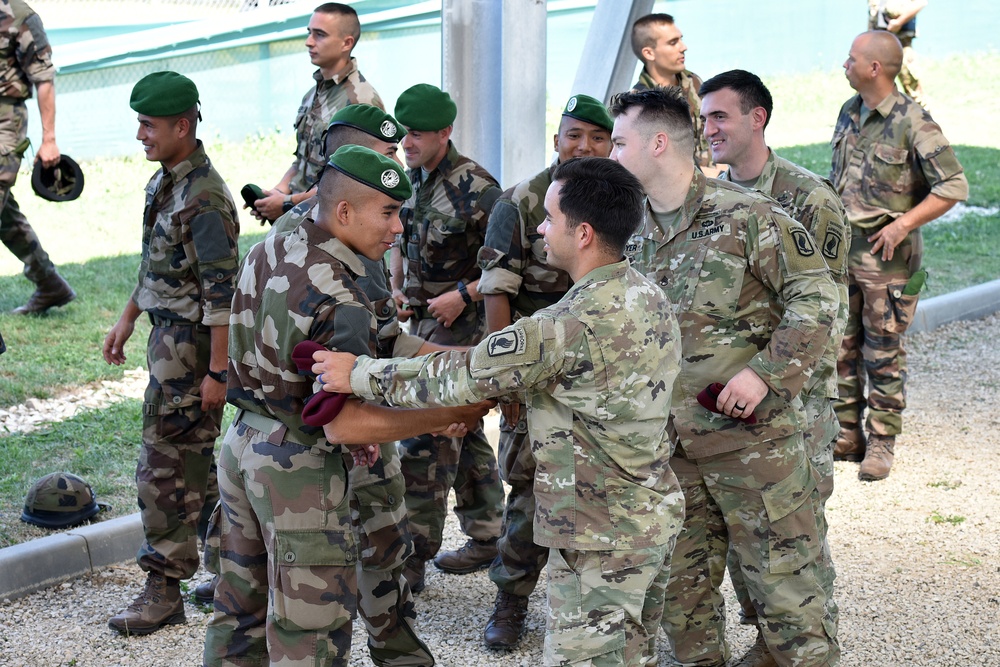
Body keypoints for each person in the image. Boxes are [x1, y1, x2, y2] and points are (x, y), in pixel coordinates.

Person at [314, 156, 685, 667]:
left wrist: (356, 374)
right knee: (631, 655)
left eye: (550, 218)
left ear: (582, 233)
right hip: (650, 515)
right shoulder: (649, 295)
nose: (539, 227)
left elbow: (457, 378)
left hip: (600, 535)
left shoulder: (561, 325)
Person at [202, 145, 491, 666]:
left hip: (242, 446)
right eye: (388, 212)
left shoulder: (273, 246)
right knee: (309, 635)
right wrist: (447, 416)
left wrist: (467, 362)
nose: (398, 227)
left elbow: (387, 345)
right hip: (299, 473)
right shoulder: (340, 298)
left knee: (237, 614)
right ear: (344, 212)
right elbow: (345, 424)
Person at [610, 87, 839, 667]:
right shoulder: (628, 233)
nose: (610, 155)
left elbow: (818, 296)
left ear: (657, 143)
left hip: (753, 447)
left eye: (618, 142)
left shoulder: (748, 216)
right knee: (682, 605)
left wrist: (766, 375)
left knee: (790, 603)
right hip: (669, 453)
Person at [700, 69, 849, 667]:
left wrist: (772, 378)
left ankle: (803, 648)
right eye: (704, 117)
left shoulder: (808, 197)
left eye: (720, 117)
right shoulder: (707, 197)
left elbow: (825, 309)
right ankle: (768, 640)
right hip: (729, 402)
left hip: (794, 401)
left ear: (756, 118)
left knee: (795, 540)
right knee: (744, 536)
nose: (708, 128)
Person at [474, 93, 613, 649]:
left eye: (596, 138)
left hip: (604, 371)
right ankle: (511, 600)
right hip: (538, 374)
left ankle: (603, 606)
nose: (583, 146)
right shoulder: (523, 202)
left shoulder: (620, 199)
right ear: (556, 139)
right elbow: (496, 292)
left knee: (610, 484)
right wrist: (506, 375)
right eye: (573, 134)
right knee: (531, 486)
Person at [103, 71, 239, 635]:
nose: (140, 134)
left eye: (148, 124)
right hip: (169, 343)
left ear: (182, 126)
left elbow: (222, 297)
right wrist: (130, 315)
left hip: (192, 352)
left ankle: (163, 588)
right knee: (196, 468)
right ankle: (228, 570)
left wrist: (216, 372)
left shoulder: (204, 199)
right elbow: (158, 265)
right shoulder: (169, 183)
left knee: (164, 469)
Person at [831, 31, 967, 481]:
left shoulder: (914, 121)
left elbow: (953, 186)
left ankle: (883, 441)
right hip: (845, 256)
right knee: (841, 346)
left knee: (883, 351)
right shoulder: (849, 112)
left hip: (890, 264)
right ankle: (846, 433)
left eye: (851, 59)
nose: (843, 65)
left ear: (874, 68)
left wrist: (904, 222)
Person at [388, 83, 504, 592]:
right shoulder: (411, 179)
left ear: (444, 133)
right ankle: (488, 534)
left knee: (427, 436)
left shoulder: (479, 187)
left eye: (416, 135)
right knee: (465, 429)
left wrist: (463, 293)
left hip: (465, 323)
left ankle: (412, 556)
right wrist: (397, 286)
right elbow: (402, 237)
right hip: (423, 318)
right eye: (402, 134)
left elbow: (508, 267)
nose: (407, 143)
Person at [250, 2, 382, 223]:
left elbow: (351, 181)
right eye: (309, 33)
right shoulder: (313, 94)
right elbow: (302, 159)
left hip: (330, 223)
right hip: (302, 214)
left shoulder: (360, 101)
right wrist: (278, 191)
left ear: (346, 43)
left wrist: (286, 203)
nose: (308, 42)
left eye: (319, 35)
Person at [1, 0, 75, 314]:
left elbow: (44, 79)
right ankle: (49, 284)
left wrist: (49, 140)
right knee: (4, 215)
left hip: (5, 122)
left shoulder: (22, 16)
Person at [629, 12, 718, 176]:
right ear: (649, 53)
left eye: (681, 39)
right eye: (673, 42)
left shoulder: (693, 81)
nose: (683, 47)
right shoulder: (638, 102)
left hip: (717, 180)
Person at [869, 0, 929, 109]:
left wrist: (899, 22)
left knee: (910, 82)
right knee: (868, 82)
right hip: (878, 41)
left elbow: (921, 2)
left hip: (901, 42)